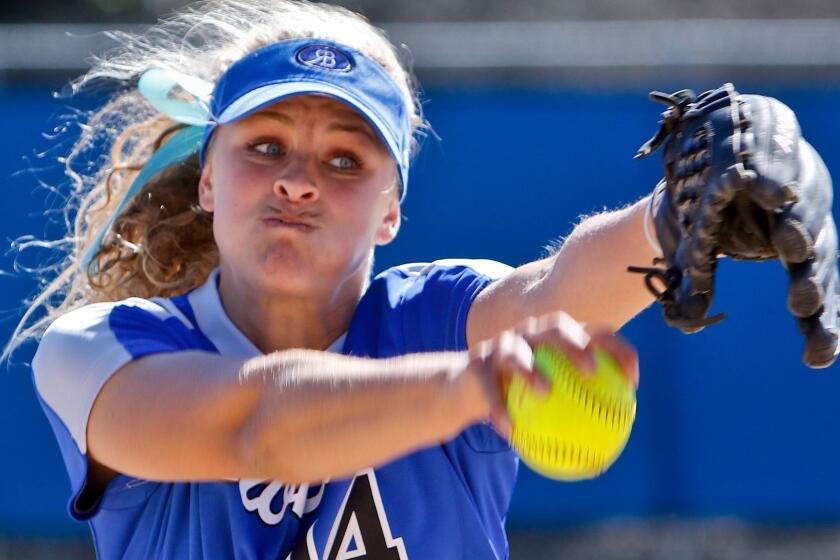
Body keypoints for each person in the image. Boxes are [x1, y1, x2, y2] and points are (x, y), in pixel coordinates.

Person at [11, 1, 661, 558]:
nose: (296, 180)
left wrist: (678, 216)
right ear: (208, 179)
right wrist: (473, 382)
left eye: (344, 159)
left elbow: (558, 292)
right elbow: (258, 425)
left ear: (391, 212)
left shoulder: (433, 317)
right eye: (265, 145)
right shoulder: (96, 350)